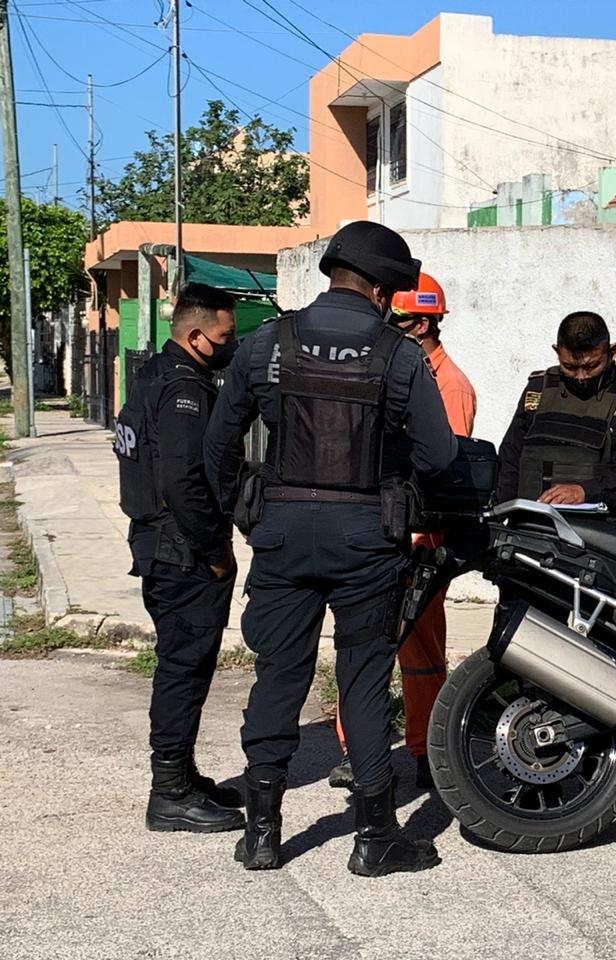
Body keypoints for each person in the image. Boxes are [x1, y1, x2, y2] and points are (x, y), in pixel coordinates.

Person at [203, 221, 457, 877]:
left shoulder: (269, 342)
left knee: (279, 678)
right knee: (364, 684)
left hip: (283, 534)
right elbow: (440, 454)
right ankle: (375, 840)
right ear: (379, 288)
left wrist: (248, 513)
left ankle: (262, 833)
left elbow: (218, 443)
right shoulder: (401, 356)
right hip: (367, 538)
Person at [329, 272, 477, 792]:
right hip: (379, 531)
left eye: (399, 319)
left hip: (420, 542)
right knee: (366, 646)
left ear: (422, 322)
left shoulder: (449, 385)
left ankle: (423, 750)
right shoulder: (392, 369)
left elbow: (444, 470)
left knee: (420, 658)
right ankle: (356, 750)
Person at [114, 282, 245, 835]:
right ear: (196, 336)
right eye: (224, 335)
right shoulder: (184, 390)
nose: (230, 343)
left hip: (158, 545)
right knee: (182, 670)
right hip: (181, 553)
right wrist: (216, 553)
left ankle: (182, 774)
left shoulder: (150, 377)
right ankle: (168, 794)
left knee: (185, 666)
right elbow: (183, 483)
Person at [495, 311, 616, 527]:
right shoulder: (539, 388)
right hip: (531, 528)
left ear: (612, 352)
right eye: (570, 367)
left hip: (601, 535)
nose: (581, 377)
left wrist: (587, 491)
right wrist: (500, 516)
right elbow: (511, 457)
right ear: (557, 353)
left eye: (590, 366)